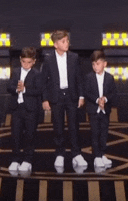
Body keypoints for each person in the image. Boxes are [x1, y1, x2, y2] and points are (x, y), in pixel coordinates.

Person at [41, 30, 87, 169]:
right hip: (56, 97)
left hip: (71, 95)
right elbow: (43, 82)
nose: (66, 43)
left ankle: (76, 153)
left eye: (67, 41)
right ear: (56, 44)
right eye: (63, 41)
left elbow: (79, 78)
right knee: (58, 126)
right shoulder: (48, 59)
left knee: (74, 126)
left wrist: (81, 95)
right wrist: (45, 99)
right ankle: (60, 154)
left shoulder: (74, 57)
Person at [7, 47, 42, 173]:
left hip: (31, 110)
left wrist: (25, 90)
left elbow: (39, 90)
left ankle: (28, 160)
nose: (26, 65)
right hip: (17, 108)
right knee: (15, 135)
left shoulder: (37, 74)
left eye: (29, 62)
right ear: (20, 60)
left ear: (34, 61)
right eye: (23, 62)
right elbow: (9, 86)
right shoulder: (15, 71)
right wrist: (16, 89)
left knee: (30, 135)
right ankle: (15, 159)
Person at [84, 50, 117, 168]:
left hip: (105, 111)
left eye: (98, 64)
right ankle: (97, 156)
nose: (95, 66)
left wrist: (105, 99)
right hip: (94, 110)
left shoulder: (110, 78)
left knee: (104, 133)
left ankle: (102, 154)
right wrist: (98, 100)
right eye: (93, 64)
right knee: (95, 132)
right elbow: (87, 93)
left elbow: (113, 93)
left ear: (105, 64)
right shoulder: (89, 78)